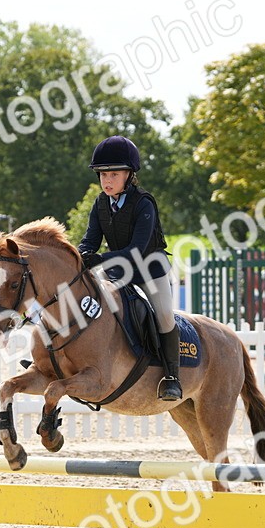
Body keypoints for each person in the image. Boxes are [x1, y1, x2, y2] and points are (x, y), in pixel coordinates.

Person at [78, 135, 180, 401]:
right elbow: (90, 239)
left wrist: (101, 259)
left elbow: (137, 249)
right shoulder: (100, 204)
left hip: (150, 267)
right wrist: (79, 254)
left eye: (113, 174)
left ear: (129, 175)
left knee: (165, 315)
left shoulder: (144, 203)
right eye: (103, 175)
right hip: (118, 269)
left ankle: (172, 377)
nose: (107, 180)